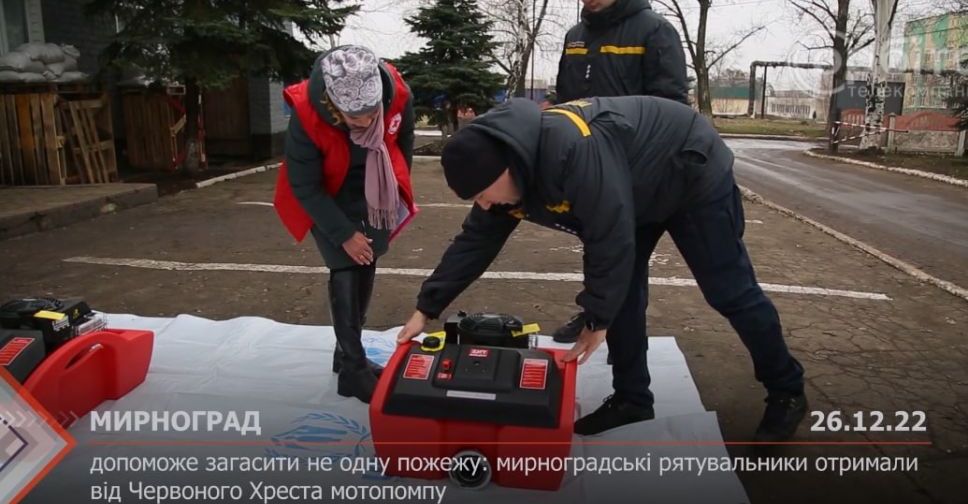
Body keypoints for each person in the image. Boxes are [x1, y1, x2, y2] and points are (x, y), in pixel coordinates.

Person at [396, 97, 806, 439]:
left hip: (689, 170)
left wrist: (596, 318)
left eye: (484, 194)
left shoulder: (572, 150)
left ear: (507, 168)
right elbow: (474, 243)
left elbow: (608, 236)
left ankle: (786, 389)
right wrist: (426, 308)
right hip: (634, 187)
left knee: (728, 290)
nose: (483, 204)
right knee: (622, 295)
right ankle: (632, 399)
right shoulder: (503, 177)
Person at [274, 45, 417, 404]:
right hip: (327, 190)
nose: (368, 123)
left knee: (368, 256)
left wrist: (394, 192)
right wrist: (343, 233)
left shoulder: (396, 93)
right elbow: (304, 185)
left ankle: (345, 353)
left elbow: (407, 143)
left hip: (375, 184)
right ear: (334, 106)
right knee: (345, 263)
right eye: (356, 118)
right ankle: (353, 370)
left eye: (373, 114)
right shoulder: (306, 116)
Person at [554, 0, 690, 343]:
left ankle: (620, 334)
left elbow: (670, 105)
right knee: (599, 247)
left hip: (638, 168)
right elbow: (566, 100)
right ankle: (597, 315)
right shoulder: (575, 36)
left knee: (631, 253)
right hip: (589, 169)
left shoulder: (654, 29)